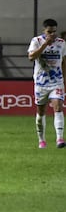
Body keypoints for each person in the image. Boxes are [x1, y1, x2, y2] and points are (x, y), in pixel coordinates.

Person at [27, 19, 65, 149]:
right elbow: (31, 57)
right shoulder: (36, 41)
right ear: (44, 30)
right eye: (49, 32)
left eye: (54, 32)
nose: (52, 34)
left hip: (57, 81)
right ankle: (41, 140)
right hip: (41, 83)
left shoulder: (61, 43)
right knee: (41, 112)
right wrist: (45, 45)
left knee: (58, 107)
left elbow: (64, 62)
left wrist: (64, 79)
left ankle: (60, 138)